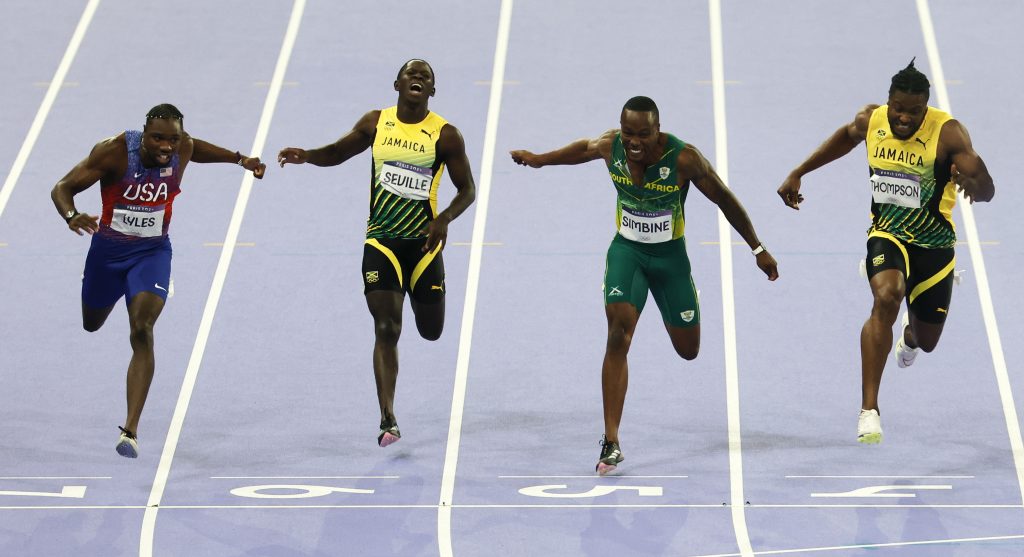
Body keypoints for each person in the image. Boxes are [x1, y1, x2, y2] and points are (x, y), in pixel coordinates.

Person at [510, 96, 778, 475]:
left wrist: (757, 247)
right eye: (628, 133)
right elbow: (582, 149)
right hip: (628, 254)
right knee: (618, 333)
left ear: (658, 130)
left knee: (689, 350)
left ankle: (683, 300)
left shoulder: (685, 159)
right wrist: (540, 159)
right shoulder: (611, 146)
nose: (634, 142)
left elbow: (724, 199)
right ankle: (611, 441)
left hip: (669, 260)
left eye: (643, 134)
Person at [777, 60, 995, 444]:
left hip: (935, 246)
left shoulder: (948, 134)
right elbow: (846, 137)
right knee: (887, 297)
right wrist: (800, 171)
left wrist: (974, 183)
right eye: (898, 108)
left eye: (913, 111)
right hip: (887, 234)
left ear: (925, 108)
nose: (904, 117)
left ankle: (909, 338)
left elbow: (986, 185)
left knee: (927, 340)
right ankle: (869, 410)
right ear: (889, 101)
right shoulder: (871, 120)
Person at [277, 59, 476, 448]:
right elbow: (338, 151)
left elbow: (467, 189)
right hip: (381, 242)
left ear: (432, 91)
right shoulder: (377, 122)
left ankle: (423, 295)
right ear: (397, 84)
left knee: (431, 331)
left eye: (426, 77)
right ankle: (388, 417)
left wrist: (445, 219)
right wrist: (308, 155)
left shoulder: (445, 135)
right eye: (411, 74)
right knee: (387, 328)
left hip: (423, 246)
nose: (418, 79)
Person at [50, 103, 266, 458]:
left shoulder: (184, 147)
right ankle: (109, 291)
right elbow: (62, 187)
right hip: (107, 256)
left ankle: (130, 430)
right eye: (157, 139)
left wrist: (241, 159)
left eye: (173, 139)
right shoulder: (114, 152)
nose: (166, 147)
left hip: (152, 254)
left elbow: (199, 149)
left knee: (142, 329)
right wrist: (71, 216)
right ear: (143, 135)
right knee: (92, 323)